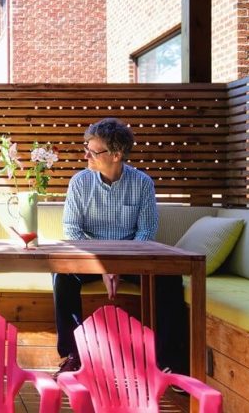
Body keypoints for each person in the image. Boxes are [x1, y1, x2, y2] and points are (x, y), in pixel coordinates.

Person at [52, 118, 187, 379]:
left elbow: (146, 232)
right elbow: (72, 230)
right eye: (86, 147)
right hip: (89, 258)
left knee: (170, 279)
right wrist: (103, 265)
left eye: (93, 150)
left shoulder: (142, 183)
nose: (86, 154)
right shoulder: (80, 182)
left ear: (116, 154)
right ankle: (73, 354)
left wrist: (119, 265)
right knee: (61, 275)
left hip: (133, 259)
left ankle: (168, 360)